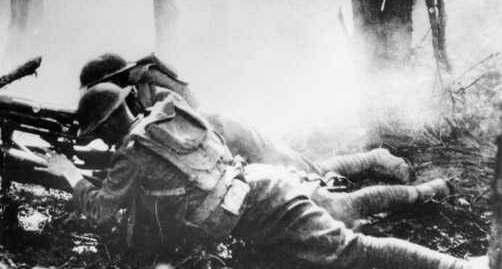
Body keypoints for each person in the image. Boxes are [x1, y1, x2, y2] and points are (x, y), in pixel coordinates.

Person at [43, 83, 490, 269]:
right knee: (340, 217)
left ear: (106, 125)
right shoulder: (164, 121)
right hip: (255, 189)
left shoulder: (132, 153)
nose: (101, 140)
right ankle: (429, 196)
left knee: (348, 249)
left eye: (99, 131)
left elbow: (102, 212)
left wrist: (66, 172)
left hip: (261, 202)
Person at [78, 53, 412, 184]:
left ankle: (376, 158)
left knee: (304, 170)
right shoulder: (129, 102)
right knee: (302, 170)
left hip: (225, 135)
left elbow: (190, 106)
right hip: (213, 151)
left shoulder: (147, 84)